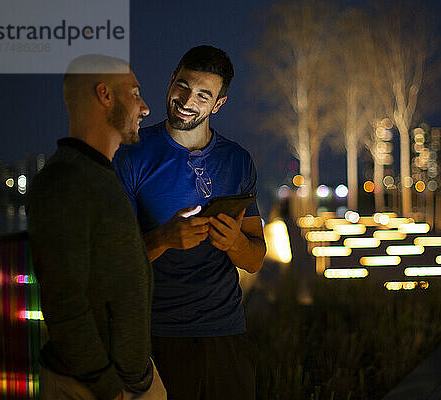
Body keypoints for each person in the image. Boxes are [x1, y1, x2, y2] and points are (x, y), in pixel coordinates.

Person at [113, 45, 266, 400]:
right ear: (170, 81)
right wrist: (165, 238)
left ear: (218, 104)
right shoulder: (131, 152)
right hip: (153, 336)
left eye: (203, 94)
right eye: (182, 86)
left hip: (225, 334)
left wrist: (234, 243)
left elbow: (255, 261)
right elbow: (115, 262)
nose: (187, 100)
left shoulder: (237, 161)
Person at [27, 54, 166, 400]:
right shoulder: (66, 180)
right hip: (92, 388)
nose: (145, 108)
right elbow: (64, 301)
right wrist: (107, 386)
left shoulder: (100, 176)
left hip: (130, 381)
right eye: (134, 93)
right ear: (105, 95)